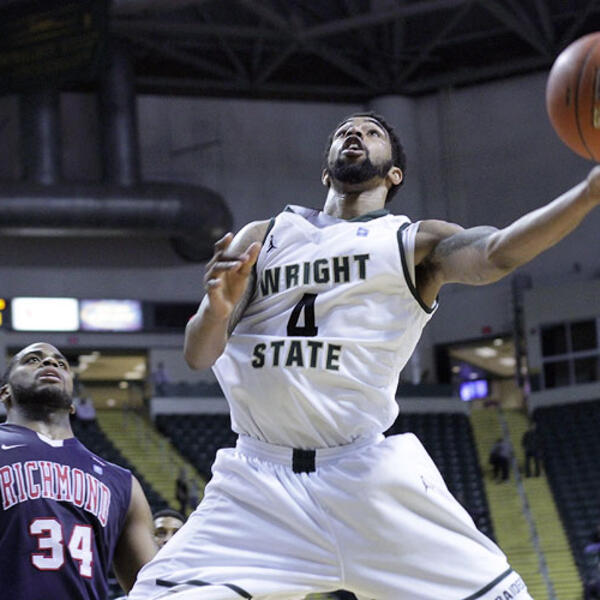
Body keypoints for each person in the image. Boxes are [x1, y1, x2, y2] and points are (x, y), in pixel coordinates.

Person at [130, 111, 600, 599]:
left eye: (372, 132)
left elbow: (498, 252)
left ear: (394, 174)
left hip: (366, 479)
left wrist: (587, 194)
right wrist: (216, 310)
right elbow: (198, 354)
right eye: (344, 131)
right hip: (257, 487)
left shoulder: (413, 242)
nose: (355, 133)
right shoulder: (263, 237)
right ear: (325, 172)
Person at [0, 342, 157, 599]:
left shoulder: (122, 483)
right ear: (5, 392)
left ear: (73, 403)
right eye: (32, 360)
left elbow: (153, 590)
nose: (50, 363)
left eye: (61, 364)